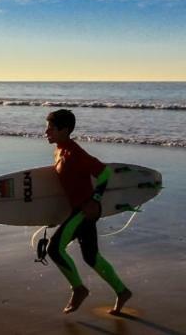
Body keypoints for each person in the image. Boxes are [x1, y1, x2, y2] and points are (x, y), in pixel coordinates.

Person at [43, 108, 132, 315]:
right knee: (91, 257)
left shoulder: (75, 153)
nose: (46, 132)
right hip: (77, 209)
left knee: (55, 250)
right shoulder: (59, 150)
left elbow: (104, 173)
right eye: (46, 129)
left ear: (65, 130)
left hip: (85, 210)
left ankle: (79, 289)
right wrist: (52, 215)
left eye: (51, 129)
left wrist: (95, 200)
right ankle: (122, 291)